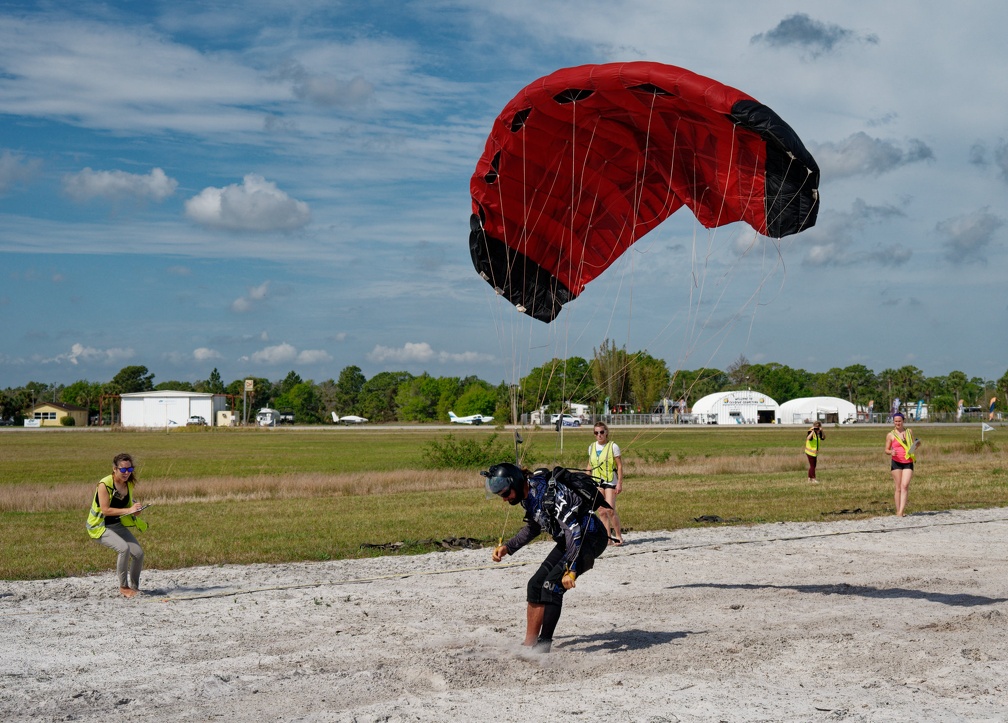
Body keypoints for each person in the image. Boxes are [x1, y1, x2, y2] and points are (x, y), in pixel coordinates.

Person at [485, 463, 609, 653]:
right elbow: (534, 527)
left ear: (517, 484)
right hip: (567, 540)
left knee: (552, 586)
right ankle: (529, 644)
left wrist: (572, 569)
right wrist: (508, 548)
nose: (504, 499)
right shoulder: (528, 497)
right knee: (535, 585)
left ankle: (543, 647)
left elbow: (573, 530)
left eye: (505, 493)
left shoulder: (548, 496)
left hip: (588, 538)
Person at [85, 453, 148, 597]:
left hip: (116, 525)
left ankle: (135, 588)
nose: (127, 473)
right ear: (114, 469)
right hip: (99, 526)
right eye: (123, 470)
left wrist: (136, 510)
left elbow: (128, 505)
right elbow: (106, 510)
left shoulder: (129, 484)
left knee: (138, 554)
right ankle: (123, 587)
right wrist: (129, 509)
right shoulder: (104, 484)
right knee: (123, 549)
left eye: (130, 470)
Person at [587, 422, 623, 545]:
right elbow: (590, 465)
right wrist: (585, 479)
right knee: (601, 510)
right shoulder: (591, 447)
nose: (599, 435)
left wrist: (619, 483)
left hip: (610, 481)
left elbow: (619, 466)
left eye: (602, 432)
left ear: (606, 432)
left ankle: (618, 535)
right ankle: (607, 538)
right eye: (596, 433)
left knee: (609, 509)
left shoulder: (613, 446)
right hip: (597, 481)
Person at [885, 412, 917, 517]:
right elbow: (886, 449)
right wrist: (891, 452)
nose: (898, 423)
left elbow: (913, 445)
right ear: (893, 422)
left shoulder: (909, 432)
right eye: (896, 421)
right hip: (896, 462)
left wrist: (917, 445)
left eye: (899, 421)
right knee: (898, 487)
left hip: (908, 461)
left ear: (903, 421)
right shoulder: (890, 435)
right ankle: (898, 510)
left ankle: (901, 511)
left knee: (905, 485)